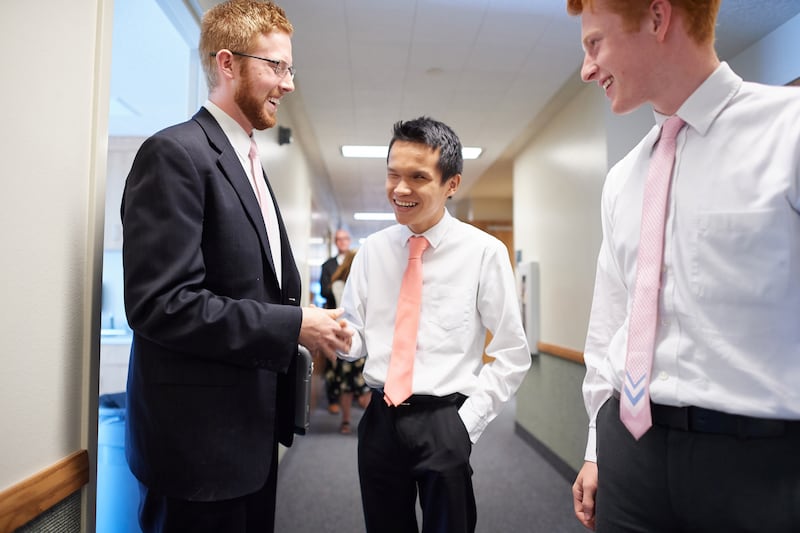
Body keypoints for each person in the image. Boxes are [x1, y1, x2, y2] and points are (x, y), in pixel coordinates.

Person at [567, 1, 800, 531]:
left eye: (594, 43)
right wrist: (597, 446)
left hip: (761, 468)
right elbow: (613, 322)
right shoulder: (623, 178)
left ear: (657, 17)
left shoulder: (789, 131)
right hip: (631, 458)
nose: (586, 68)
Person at [120, 1, 351, 532]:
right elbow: (161, 304)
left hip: (249, 440)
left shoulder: (247, 161)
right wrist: (293, 325)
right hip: (195, 457)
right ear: (228, 64)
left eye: (289, 68)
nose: (288, 84)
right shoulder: (175, 154)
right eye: (276, 66)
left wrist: (303, 319)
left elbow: (255, 289)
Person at [336, 116, 531, 532]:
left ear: (451, 184)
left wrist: (467, 423)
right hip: (380, 421)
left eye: (417, 177)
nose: (400, 189)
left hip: (445, 419)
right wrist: (335, 334)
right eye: (393, 175)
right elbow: (355, 337)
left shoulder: (484, 253)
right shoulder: (372, 252)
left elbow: (513, 354)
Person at [326, 249, 371, 434]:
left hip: (346, 337)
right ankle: (360, 423)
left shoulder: (338, 283)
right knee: (362, 385)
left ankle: (347, 422)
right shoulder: (346, 285)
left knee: (348, 386)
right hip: (349, 337)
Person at [318, 228, 353, 414]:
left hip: (351, 318)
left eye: (345, 239)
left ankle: (352, 396)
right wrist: (336, 288)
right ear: (335, 242)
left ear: (349, 240)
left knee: (351, 355)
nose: (342, 242)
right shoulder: (327, 265)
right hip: (333, 316)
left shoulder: (356, 262)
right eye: (338, 239)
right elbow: (323, 290)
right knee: (332, 358)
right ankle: (333, 399)